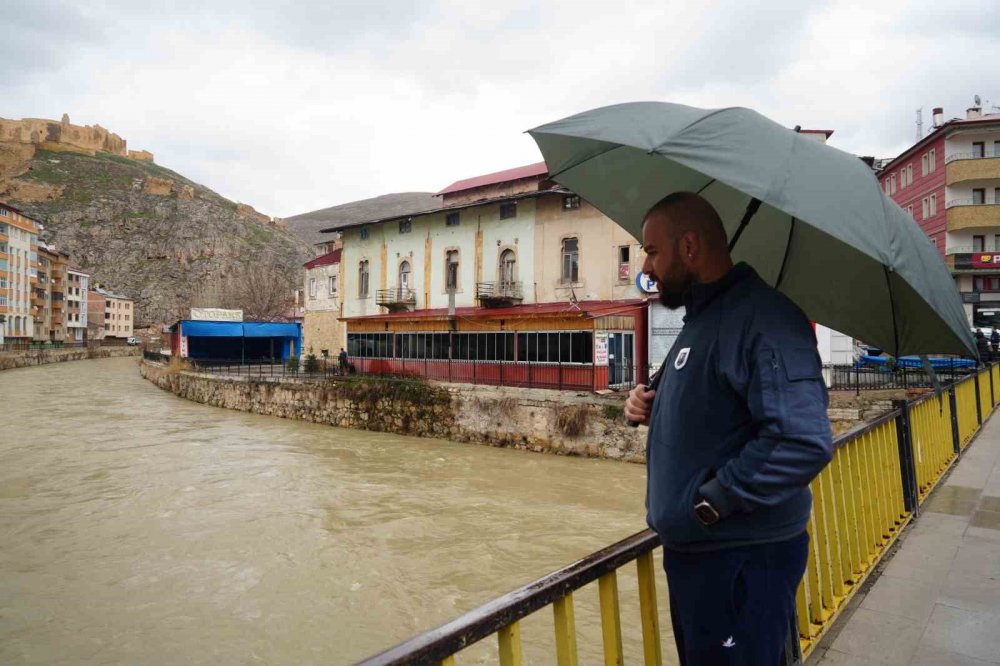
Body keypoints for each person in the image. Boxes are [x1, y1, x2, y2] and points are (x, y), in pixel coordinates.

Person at [624, 192, 833, 665]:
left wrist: (711, 504)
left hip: (738, 560)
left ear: (690, 247)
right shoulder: (703, 319)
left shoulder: (764, 318)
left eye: (653, 251)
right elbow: (716, 408)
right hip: (704, 558)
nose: (647, 267)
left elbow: (801, 440)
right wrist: (648, 405)